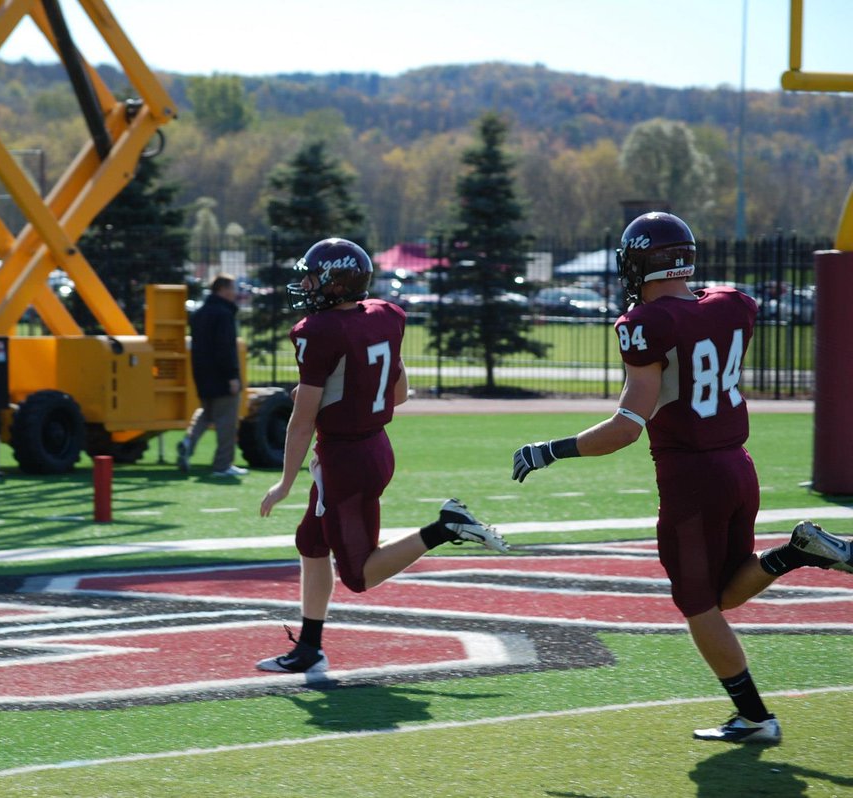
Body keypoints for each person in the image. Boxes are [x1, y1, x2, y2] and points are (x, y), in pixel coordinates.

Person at [510, 212, 853, 744]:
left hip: (692, 478)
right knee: (724, 593)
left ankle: (757, 719)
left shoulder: (648, 325)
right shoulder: (732, 304)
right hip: (739, 466)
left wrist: (550, 450)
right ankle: (798, 553)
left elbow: (627, 427)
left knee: (697, 607)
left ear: (643, 262)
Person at [257, 237, 510, 674]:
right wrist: (343, 394)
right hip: (373, 447)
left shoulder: (317, 332)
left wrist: (284, 482)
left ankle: (445, 527)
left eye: (312, 276)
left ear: (335, 283)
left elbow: (301, 420)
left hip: (346, 461)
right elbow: (400, 393)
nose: (304, 283)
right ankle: (310, 646)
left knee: (359, 574)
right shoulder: (383, 316)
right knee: (312, 543)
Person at [179, 273, 247, 478]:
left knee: (206, 413)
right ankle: (222, 465)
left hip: (201, 373)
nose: (236, 293)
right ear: (223, 290)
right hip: (221, 374)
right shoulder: (224, 314)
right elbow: (225, 348)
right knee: (226, 420)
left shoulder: (200, 313)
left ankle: (188, 442)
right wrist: (232, 376)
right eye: (233, 288)